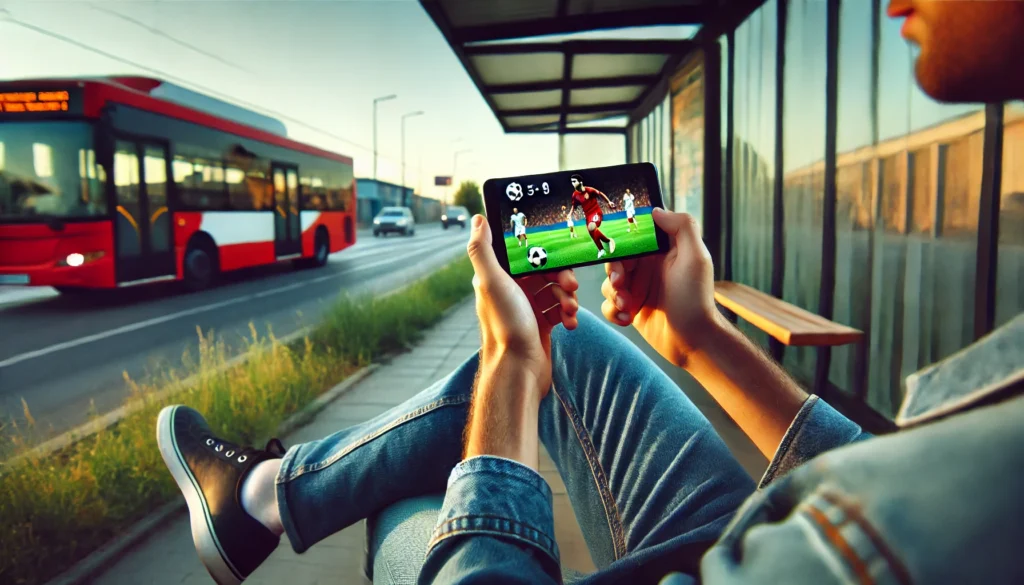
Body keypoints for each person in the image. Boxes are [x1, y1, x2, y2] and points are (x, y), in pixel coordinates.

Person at [157, 1, 1024, 584]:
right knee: (566, 342)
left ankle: (269, 497)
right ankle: (270, 494)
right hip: (803, 508)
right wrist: (698, 340)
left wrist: (505, 373)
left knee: (431, 493)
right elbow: (875, 471)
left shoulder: (898, 534)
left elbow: (872, 507)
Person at [567, 173, 617, 259]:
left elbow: (600, 194)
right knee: (592, 234)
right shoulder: (575, 195)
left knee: (592, 227)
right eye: (571, 182)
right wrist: (570, 214)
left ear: (580, 182)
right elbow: (573, 206)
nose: (573, 183)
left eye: (574, 181)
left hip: (596, 212)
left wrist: (609, 202)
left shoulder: (589, 190)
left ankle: (608, 242)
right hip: (588, 216)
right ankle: (602, 249)